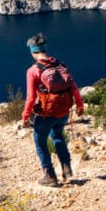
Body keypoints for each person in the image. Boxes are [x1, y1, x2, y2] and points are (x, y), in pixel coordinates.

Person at [22, 33, 85, 187]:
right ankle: (66, 166)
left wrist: (25, 116)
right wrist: (80, 104)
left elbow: (30, 98)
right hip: (63, 111)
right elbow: (73, 86)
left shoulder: (33, 70)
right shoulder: (60, 65)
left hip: (45, 114)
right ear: (45, 49)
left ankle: (49, 175)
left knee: (40, 142)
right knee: (58, 136)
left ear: (33, 51)